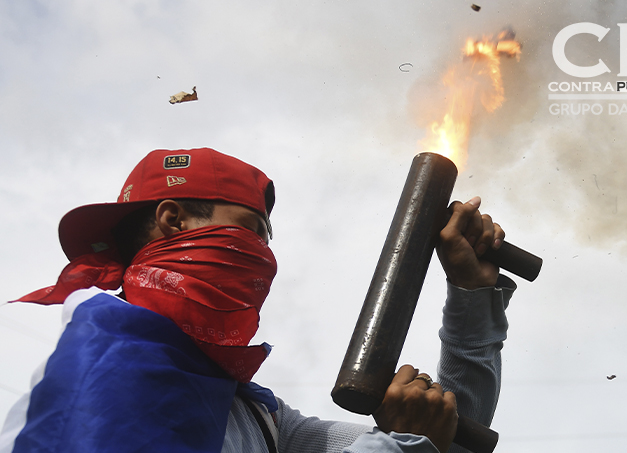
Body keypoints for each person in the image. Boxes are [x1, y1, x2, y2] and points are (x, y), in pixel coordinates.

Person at [0, 147, 515, 453]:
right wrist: (397, 444)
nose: (261, 256)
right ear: (175, 221)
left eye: (265, 241)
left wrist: (472, 293)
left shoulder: (256, 415)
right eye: (248, 230)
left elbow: (444, 445)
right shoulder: (104, 370)